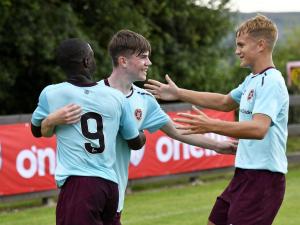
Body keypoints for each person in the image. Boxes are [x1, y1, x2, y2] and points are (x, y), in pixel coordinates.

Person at [40, 30, 237, 225]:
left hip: (113, 197)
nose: (148, 63)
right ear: (123, 61)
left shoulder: (145, 100)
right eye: (143, 57)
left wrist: (220, 146)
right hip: (85, 193)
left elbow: (177, 131)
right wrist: (49, 122)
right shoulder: (90, 95)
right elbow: (46, 129)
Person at [145, 14, 289, 225]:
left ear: (260, 45)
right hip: (246, 173)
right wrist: (178, 93)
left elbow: (259, 128)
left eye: (241, 45)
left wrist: (211, 125)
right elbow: (224, 102)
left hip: (264, 178)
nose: (236, 51)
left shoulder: (272, 82)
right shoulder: (253, 79)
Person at [31, 38, 146, 225]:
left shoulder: (52, 94)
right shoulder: (115, 96)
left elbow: (36, 130)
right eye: (91, 57)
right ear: (86, 62)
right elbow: (135, 142)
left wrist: (52, 119)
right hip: (110, 186)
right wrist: (141, 132)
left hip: (79, 185)